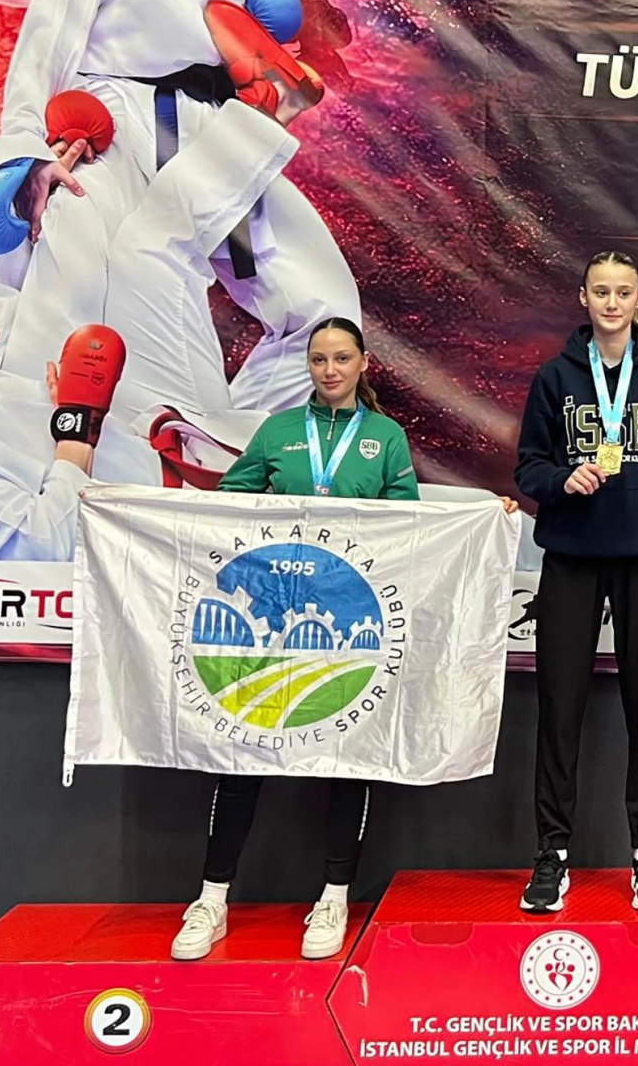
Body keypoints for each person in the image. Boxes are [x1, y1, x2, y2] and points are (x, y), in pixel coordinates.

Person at [172, 316, 517, 961]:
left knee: (347, 761)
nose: (329, 370)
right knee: (241, 759)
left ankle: (333, 897)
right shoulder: (277, 431)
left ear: (363, 364)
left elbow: (408, 530)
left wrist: (478, 516)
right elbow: (227, 509)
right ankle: (212, 899)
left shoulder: (384, 438)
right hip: (272, 626)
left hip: (350, 626)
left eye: (340, 359)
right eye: (318, 360)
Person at [0, 95, 298, 560]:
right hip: (175, 518)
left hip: (153, 445)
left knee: (142, 246)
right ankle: (267, 118)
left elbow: (8, 296)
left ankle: (259, 124)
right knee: (157, 249)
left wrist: (24, 191)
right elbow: (37, 546)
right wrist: (75, 430)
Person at [0, 0, 357, 415]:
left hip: (219, 122)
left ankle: (228, 445)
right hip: (117, 122)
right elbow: (50, 31)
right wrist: (25, 148)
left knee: (328, 317)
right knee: (74, 295)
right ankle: (42, 442)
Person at [513, 251, 638, 914]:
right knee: (559, 708)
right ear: (583, 298)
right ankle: (551, 853)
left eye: (623, 292)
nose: (612, 303)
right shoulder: (555, 376)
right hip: (572, 555)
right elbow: (528, 466)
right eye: (601, 292)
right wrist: (562, 480)